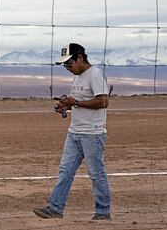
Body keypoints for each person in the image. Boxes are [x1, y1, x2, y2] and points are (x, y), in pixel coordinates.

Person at [33, 43, 111, 220]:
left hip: (92, 133)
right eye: (65, 65)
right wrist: (65, 106)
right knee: (65, 171)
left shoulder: (95, 75)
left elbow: (104, 102)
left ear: (80, 58)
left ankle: (103, 211)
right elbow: (79, 101)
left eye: (69, 63)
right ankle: (55, 208)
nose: (67, 68)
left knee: (96, 173)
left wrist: (75, 102)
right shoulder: (78, 76)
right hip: (74, 132)